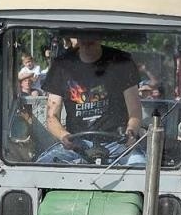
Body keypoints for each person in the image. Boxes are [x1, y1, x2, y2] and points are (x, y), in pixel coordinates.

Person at [38, 34, 145, 165]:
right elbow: (52, 116)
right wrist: (63, 136)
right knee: (41, 166)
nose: (87, 43)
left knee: (140, 167)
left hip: (118, 142)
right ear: (76, 38)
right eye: (83, 39)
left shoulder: (121, 61)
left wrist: (131, 132)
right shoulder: (61, 65)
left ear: (100, 37)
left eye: (92, 39)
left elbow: (135, 111)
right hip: (76, 144)